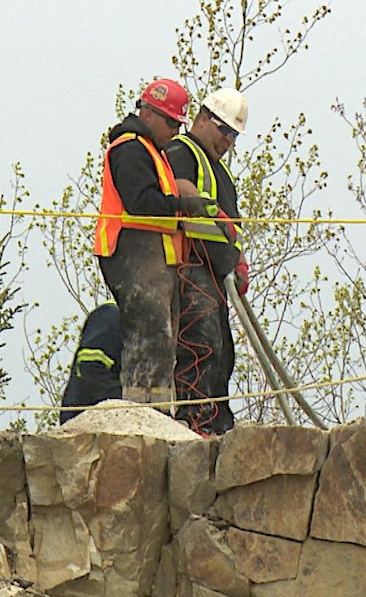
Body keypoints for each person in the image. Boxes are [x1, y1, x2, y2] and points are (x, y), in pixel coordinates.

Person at [93, 77, 216, 410]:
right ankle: (141, 412)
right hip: (131, 252)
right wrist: (183, 206)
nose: (175, 131)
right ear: (148, 113)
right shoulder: (129, 148)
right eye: (171, 122)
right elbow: (140, 201)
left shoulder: (152, 151)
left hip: (152, 257)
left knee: (162, 339)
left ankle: (157, 410)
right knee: (149, 335)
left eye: (179, 124)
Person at [164, 88, 251, 436]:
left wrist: (240, 262)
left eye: (233, 135)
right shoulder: (182, 150)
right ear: (202, 120)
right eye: (223, 130)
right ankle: (195, 420)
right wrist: (213, 214)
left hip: (218, 272)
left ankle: (217, 422)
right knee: (201, 344)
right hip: (191, 264)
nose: (228, 140)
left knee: (222, 350)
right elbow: (180, 186)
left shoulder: (223, 175)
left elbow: (236, 228)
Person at [59, 301, 122, 423]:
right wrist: (129, 404)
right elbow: (90, 369)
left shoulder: (156, 325)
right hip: (85, 423)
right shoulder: (112, 315)